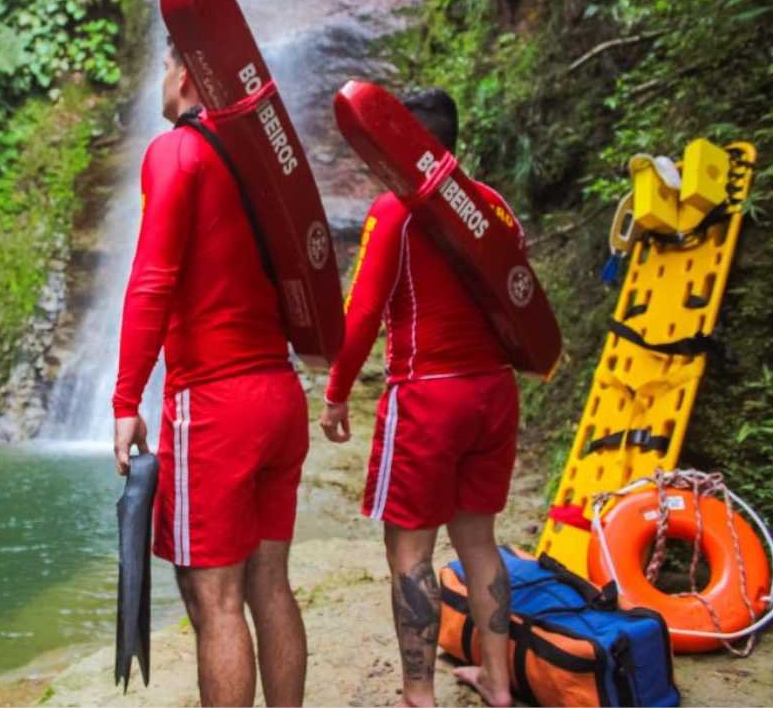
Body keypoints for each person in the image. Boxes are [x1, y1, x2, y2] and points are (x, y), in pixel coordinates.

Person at [111, 39, 310, 707]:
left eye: (165, 67)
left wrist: (125, 399)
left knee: (214, 598)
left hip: (215, 405)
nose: (161, 80)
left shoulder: (175, 152)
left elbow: (151, 280)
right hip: (280, 394)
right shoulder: (261, 165)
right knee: (269, 584)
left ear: (188, 77)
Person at [319, 88, 521, 708]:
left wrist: (336, 393)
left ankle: (417, 693)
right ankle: (499, 683)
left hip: (427, 399)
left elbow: (361, 313)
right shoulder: (494, 206)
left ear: (410, 143)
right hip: (494, 394)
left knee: (410, 550)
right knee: (479, 541)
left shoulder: (397, 211)